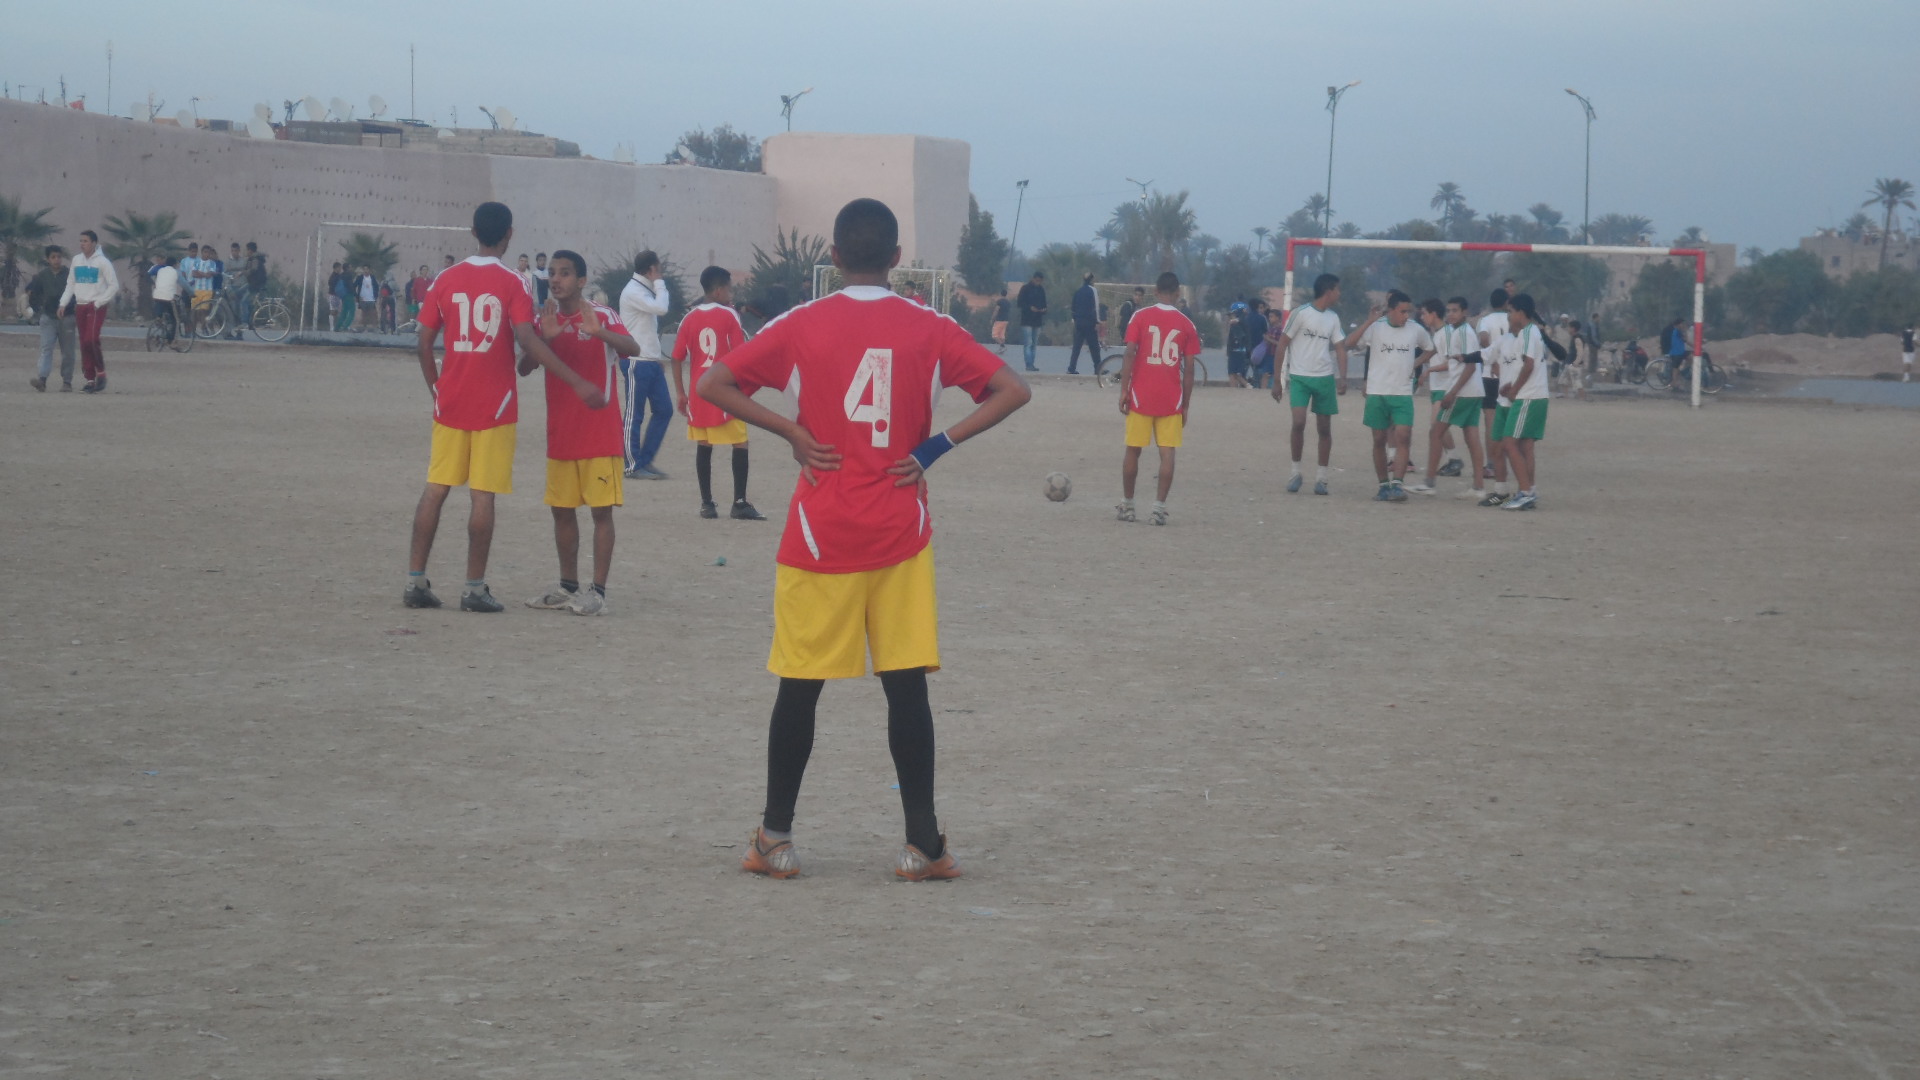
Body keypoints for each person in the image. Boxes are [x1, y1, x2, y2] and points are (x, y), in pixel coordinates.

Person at [696, 197, 1031, 882]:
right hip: (900, 529)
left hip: (820, 533)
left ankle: (775, 840)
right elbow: (1012, 389)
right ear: (899, 260)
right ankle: (924, 847)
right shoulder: (929, 327)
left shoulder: (802, 324)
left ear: (836, 257)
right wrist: (935, 446)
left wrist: (791, 431)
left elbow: (713, 382)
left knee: (800, 686)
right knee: (906, 690)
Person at [404, 201, 609, 613]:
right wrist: (577, 380)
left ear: (473, 231)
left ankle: (415, 581)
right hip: (495, 405)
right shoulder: (514, 282)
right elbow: (527, 340)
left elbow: (423, 341)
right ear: (509, 233)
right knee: (483, 496)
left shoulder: (445, 278)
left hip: (452, 400)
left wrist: (436, 389)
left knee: (436, 488)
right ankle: (474, 588)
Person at [521, 249, 635, 616]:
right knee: (562, 512)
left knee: (601, 513)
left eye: (565, 273)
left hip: (599, 434)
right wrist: (549, 339)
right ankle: (567, 585)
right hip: (561, 435)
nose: (556, 279)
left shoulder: (601, 315)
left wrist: (601, 333)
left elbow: (634, 348)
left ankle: (597, 591)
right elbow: (523, 367)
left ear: (582, 280)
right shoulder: (545, 320)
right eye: (552, 273)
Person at [670, 265, 766, 521]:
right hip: (725, 393)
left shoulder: (689, 318)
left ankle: (707, 504)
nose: (731, 294)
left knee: (704, 444)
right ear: (719, 290)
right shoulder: (729, 315)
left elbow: (677, 357)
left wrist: (681, 393)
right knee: (740, 442)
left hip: (699, 394)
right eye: (729, 289)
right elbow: (740, 355)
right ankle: (740, 502)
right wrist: (743, 389)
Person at [1116, 271, 1200, 525]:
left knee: (1133, 449)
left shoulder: (1140, 316)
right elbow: (1190, 368)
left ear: (1155, 291)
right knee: (1167, 453)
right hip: (1171, 398)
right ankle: (1158, 509)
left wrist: (1123, 389)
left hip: (1141, 394)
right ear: (1177, 293)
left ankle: (1128, 506)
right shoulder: (1186, 324)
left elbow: (1130, 352)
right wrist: (1185, 403)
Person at [1348, 291, 1435, 503]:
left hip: (1402, 392)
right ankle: (1383, 485)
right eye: (1403, 311)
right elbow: (1348, 344)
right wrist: (1368, 321)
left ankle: (1397, 483)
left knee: (1403, 435)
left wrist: (1414, 365)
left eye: (1409, 312)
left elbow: (1430, 349)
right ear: (1392, 310)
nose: (1406, 316)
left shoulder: (1416, 330)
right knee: (1379, 439)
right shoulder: (1376, 328)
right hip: (1378, 392)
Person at [1272, 273, 1348, 495]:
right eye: (1338, 289)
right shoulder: (1301, 314)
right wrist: (1277, 379)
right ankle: (1295, 472)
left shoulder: (1333, 318)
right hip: (1299, 377)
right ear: (1328, 291)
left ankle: (1322, 477)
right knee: (1298, 422)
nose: (1339, 294)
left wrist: (1342, 377)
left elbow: (1341, 348)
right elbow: (1282, 344)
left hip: (1324, 378)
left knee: (1324, 428)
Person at [1411, 296, 1488, 499]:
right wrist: (1415, 366)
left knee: (1435, 432)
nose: (1451, 314)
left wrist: (1452, 393)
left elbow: (1470, 365)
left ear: (1464, 312)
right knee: (1471, 436)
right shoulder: (1456, 332)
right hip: (1474, 391)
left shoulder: (1461, 334)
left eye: (1455, 310)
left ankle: (1429, 482)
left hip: (1461, 392)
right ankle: (1478, 487)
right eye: (1449, 310)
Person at [617, 250, 675, 480]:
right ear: (651, 269)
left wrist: (657, 356)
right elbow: (661, 308)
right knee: (634, 413)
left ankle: (645, 459)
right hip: (635, 361)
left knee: (664, 410)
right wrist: (660, 283)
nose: (659, 274)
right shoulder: (633, 291)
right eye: (657, 269)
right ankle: (632, 464)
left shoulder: (642, 290)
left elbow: (647, 328)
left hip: (650, 360)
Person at [1493, 293, 1549, 511]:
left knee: (1509, 443)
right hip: (1536, 396)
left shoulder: (1527, 333)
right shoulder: (1533, 332)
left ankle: (1525, 493)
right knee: (1525, 445)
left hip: (1528, 397)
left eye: (1510, 311)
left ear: (1521, 313)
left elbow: (1529, 365)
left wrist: (1514, 391)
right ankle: (1530, 489)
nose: (1508, 316)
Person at [60, 229, 119, 394]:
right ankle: (90, 379)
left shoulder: (102, 262)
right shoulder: (76, 260)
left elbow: (114, 285)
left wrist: (99, 302)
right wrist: (63, 303)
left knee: (91, 339)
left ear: (94, 243)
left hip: (95, 305)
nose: (82, 244)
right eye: (80, 241)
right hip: (80, 304)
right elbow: (71, 283)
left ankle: (101, 373)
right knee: (83, 343)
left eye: (85, 241)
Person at [1475, 289, 1512, 494]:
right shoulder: (1512, 318)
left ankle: (1491, 464)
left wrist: (1493, 357)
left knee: (1490, 420)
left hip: (1489, 376)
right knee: (1508, 417)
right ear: (1507, 302)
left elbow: (1483, 340)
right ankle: (1507, 459)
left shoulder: (1486, 320)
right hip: (1509, 375)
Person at [27, 245, 77, 391]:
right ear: (48, 259)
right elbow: (33, 294)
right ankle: (42, 380)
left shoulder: (69, 274)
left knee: (67, 351)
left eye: (59, 257)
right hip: (48, 318)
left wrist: (72, 306)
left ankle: (67, 382)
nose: (57, 260)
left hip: (67, 317)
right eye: (53, 257)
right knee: (46, 348)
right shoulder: (42, 276)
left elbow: (77, 291)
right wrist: (38, 310)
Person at [1068, 271, 1100, 375]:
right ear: (1091, 280)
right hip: (1089, 322)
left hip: (1079, 322)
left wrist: (1075, 319)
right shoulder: (1093, 290)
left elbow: (1073, 308)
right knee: (1094, 346)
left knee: (1077, 347)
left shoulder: (1078, 291)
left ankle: (1071, 368)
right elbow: (1096, 307)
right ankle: (1098, 368)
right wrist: (1097, 321)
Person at [1016, 270, 1047, 372]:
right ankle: (1028, 365)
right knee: (1028, 343)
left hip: (1037, 320)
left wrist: (1043, 309)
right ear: (1033, 278)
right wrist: (1030, 308)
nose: (1038, 282)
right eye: (1037, 280)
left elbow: (1044, 304)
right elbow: (1019, 303)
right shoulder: (1025, 289)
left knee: (1034, 344)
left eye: (1040, 281)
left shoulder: (1041, 290)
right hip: (1026, 320)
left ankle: (1032, 364)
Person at [150, 254, 184, 344]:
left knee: (160, 311)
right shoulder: (176, 272)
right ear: (175, 264)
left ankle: (159, 319)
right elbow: (185, 285)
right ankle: (171, 340)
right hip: (169, 298)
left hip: (157, 296)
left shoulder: (160, 270)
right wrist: (192, 293)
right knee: (175, 319)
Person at [1225, 302, 1253, 387]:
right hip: (1242, 351)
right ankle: (1246, 386)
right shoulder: (1244, 323)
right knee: (1236, 373)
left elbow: (1235, 339)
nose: (1230, 317)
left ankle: (1246, 386)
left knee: (1232, 373)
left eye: (1231, 314)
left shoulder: (1236, 325)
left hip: (1235, 351)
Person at [355, 266, 379, 330]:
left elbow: (376, 286)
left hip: (371, 298)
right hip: (363, 299)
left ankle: (375, 327)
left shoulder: (372, 278)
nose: (366, 271)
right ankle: (364, 327)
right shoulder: (360, 278)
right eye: (364, 269)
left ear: (369, 270)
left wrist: (376, 296)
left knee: (373, 313)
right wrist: (356, 296)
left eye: (367, 269)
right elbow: (354, 285)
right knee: (364, 313)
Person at [990, 287, 1010, 353]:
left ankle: (1003, 346)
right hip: (1006, 320)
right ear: (1006, 294)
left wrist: (992, 318)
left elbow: (996, 310)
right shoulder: (1008, 302)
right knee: (1002, 335)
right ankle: (1001, 349)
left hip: (999, 320)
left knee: (994, 335)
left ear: (1001, 294)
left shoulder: (999, 301)